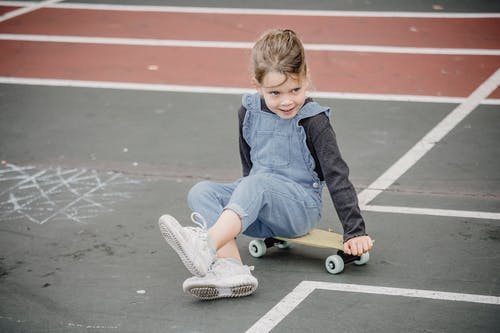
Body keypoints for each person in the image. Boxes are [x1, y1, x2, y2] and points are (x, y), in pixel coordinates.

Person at [159, 28, 374, 300]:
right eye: (274, 93)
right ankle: (232, 271)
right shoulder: (247, 112)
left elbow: (337, 175)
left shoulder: (313, 121)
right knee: (201, 191)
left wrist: (355, 231)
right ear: (256, 85)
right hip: (259, 208)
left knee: (255, 183)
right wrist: (245, 202)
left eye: (295, 89)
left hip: (298, 211)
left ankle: (207, 245)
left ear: (307, 77)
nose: (286, 101)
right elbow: (248, 165)